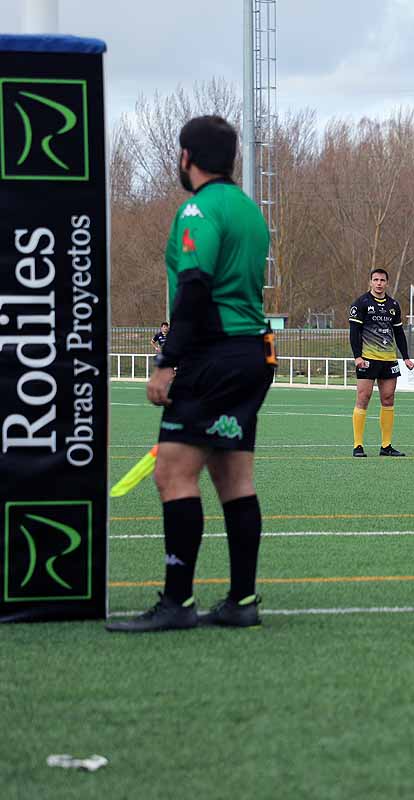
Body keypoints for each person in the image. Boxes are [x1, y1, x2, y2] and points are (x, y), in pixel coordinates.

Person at [107, 115, 274, 633]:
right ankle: (241, 599)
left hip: (212, 356)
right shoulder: (250, 211)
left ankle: (177, 602)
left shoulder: (197, 209)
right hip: (253, 354)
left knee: (173, 473)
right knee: (233, 477)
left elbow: (196, 287)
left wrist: (167, 362)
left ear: (186, 157)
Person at [349, 268, 414, 457]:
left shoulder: (393, 305)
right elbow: (354, 332)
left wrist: (406, 357)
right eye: (375, 280)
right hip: (367, 358)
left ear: (387, 283)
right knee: (363, 398)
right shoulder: (361, 304)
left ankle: (386, 446)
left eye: (382, 280)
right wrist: (357, 357)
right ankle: (358, 445)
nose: (379, 283)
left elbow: (399, 333)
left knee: (388, 398)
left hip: (388, 359)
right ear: (370, 282)